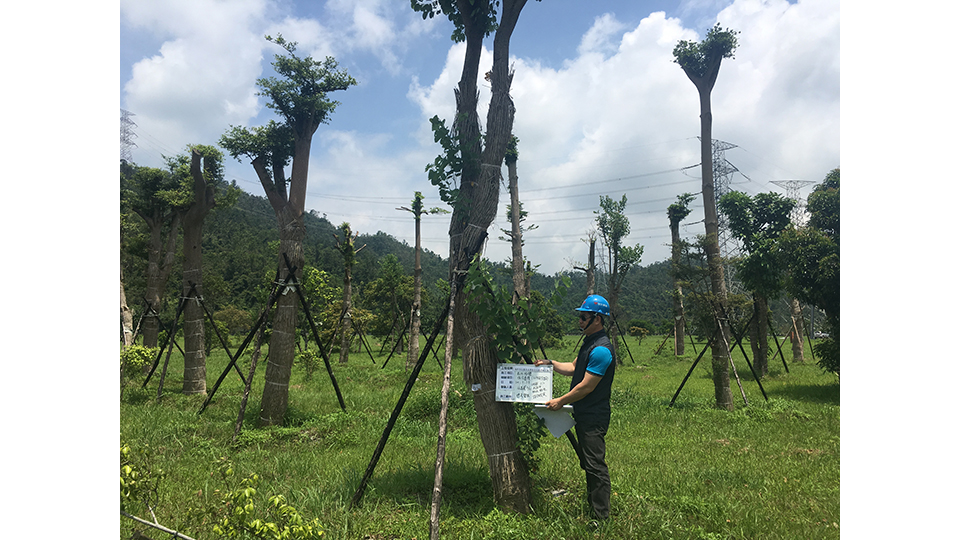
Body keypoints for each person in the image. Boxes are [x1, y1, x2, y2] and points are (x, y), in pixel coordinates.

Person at [535, 294, 616, 521]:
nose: (579, 321)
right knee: (589, 462)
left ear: (597, 319)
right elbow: (573, 367)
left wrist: (560, 401)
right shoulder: (589, 343)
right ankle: (595, 506)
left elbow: (586, 387)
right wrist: (549, 363)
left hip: (593, 416)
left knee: (595, 465)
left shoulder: (601, 350)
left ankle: (601, 518)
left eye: (583, 317)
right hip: (584, 412)